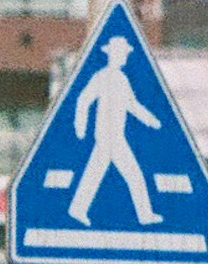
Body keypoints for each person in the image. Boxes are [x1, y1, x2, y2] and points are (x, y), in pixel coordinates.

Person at [68, 39, 160, 227]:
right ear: (114, 54)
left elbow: (132, 105)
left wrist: (151, 120)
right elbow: (83, 99)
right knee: (134, 175)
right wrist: (80, 125)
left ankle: (78, 209)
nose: (125, 56)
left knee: (94, 174)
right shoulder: (102, 76)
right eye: (123, 53)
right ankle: (144, 215)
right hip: (107, 136)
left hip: (114, 136)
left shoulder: (121, 79)